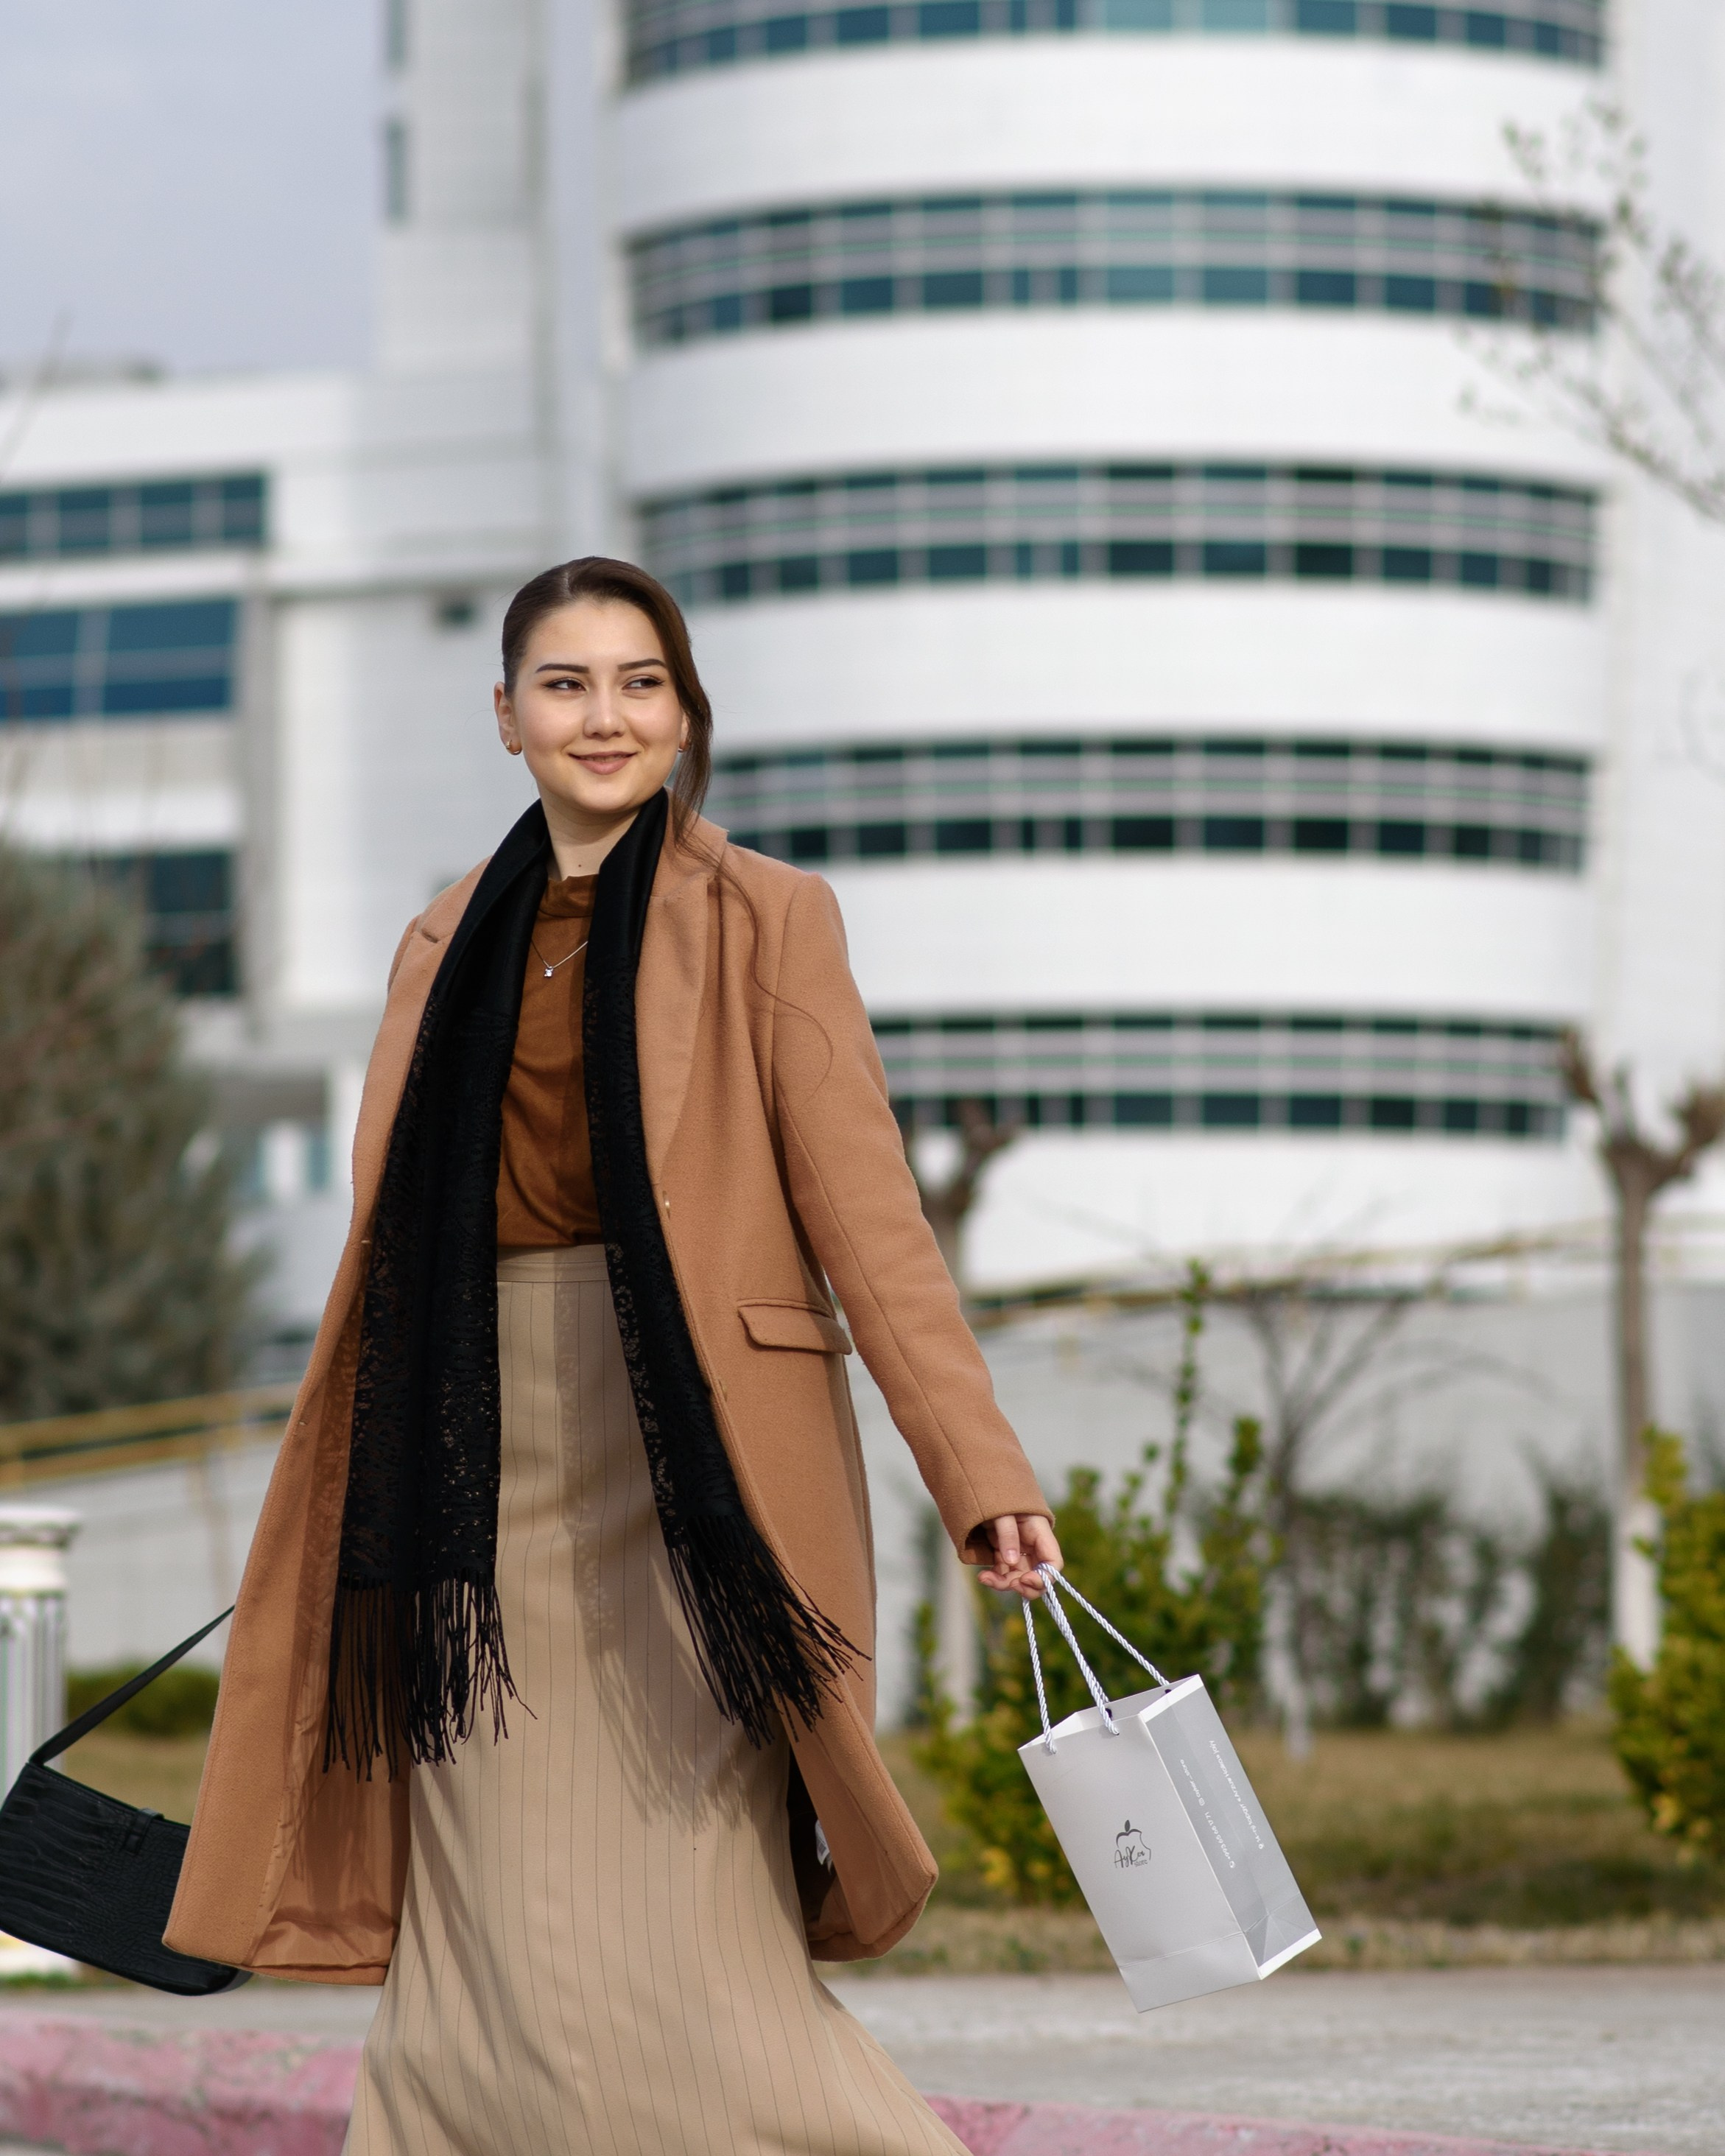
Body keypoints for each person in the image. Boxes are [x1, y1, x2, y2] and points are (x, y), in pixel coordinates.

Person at [165, 556, 1062, 2155]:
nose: (606, 717)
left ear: (685, 712)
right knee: (485, 1892)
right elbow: (390, 1236)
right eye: (566, 684)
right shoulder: (443, 938)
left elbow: (871, 1224)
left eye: (641, 683)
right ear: (504, 714)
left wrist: (977, 1471)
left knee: (694, 1887)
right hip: (469, 1450)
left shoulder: (767, 917)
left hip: (697, 1460)